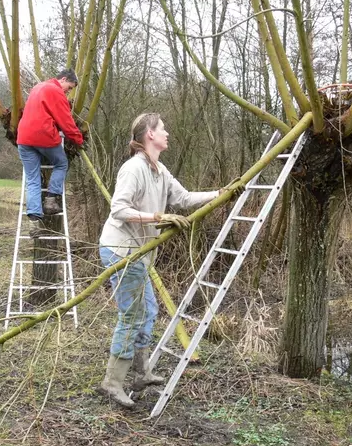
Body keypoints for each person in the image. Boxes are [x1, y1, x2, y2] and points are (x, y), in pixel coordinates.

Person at [97, 113, 243, 407]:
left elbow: (185, 198)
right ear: (149, 134)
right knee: (133, 316)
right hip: (122, 250)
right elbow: (118, 209)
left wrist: (222, 194)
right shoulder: (133, 169)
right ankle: (112, 383)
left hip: (139, 253)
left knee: (148, 311)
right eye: (163, 129)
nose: (168, 133)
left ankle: (142, 373)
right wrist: (157, 216)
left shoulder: (159, 171)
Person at [17, 69, 84, 238]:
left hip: (24, 138)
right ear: (62, 79)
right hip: (43, 136)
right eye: (68, 87)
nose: (68, 92)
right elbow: (66, 121)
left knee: (32, 179)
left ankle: (33, 223)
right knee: (61, 163)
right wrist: (78, 140)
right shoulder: (55, 91)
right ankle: (51, 199)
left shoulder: (37, 87)